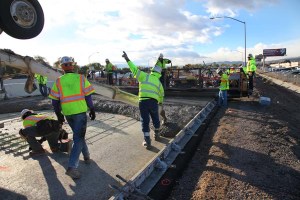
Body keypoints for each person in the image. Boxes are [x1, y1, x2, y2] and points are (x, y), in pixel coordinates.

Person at [49, 56, 96, 179]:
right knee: (78, 138)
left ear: (62, 67)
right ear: (72, 65)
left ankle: (86, 157)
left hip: (68, 113)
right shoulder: (81, 78)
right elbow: (88, 97)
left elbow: (54, 101)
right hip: (80, 113)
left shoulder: (58, 81)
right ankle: (72, 167)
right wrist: (92, 109)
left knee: (79, 136)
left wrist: (59, 115)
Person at [122, 51, 164, 149]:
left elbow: (134, 69)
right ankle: (157, 134)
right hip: (154, 102)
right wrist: (160, 102)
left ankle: (147, 140)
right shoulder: (158, 82)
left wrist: (127, 58)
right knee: (155, 118)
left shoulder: (145, 76)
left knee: (145, 120)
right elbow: (162, 94)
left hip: (143, 102)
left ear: (152, 71)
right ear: (159, 74)